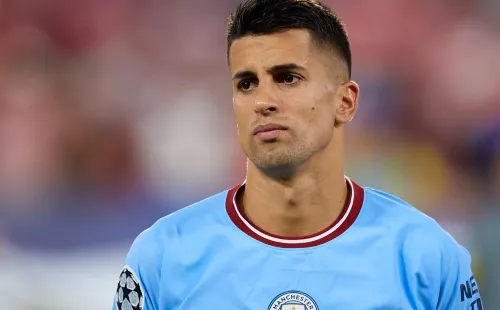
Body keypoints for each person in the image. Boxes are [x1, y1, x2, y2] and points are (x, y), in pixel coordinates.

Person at [113, 0, 484, 309]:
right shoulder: (164, 256)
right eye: (246, 83)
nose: (263, 102)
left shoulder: (426, 257)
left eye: (288, 78)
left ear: (345, 101)